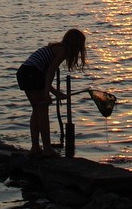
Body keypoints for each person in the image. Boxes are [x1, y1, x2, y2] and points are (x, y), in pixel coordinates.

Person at [16, 28, 87, 157]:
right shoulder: (63, 50)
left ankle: (35, 147)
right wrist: (46, 94)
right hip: (32, 73)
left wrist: (54, 93)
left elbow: (44, 76)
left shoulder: (57, 48)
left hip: (24, 72)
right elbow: (50, 72)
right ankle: (47, 149)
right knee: (42, 111)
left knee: (37, 110)